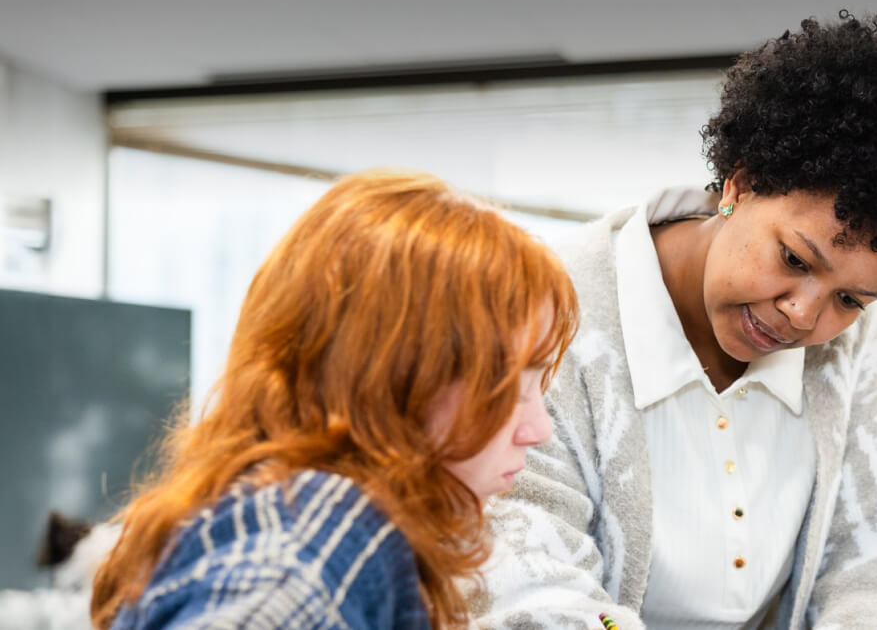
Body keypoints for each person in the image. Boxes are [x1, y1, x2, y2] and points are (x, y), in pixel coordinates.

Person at [471, 13, 877, 629]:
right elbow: (525, 582)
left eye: (850, 300)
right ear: (740, 186)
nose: (805, 313)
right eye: (794, 258)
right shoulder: (541, 306)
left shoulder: (855, 347)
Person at [90, 169, 578, 630]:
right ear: (393, 378)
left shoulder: (297, 514)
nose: (539, 429)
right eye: (511, 387)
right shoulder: (315, 548)